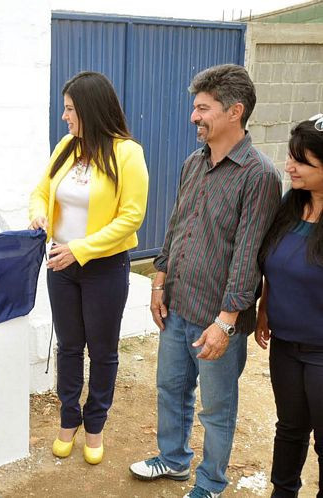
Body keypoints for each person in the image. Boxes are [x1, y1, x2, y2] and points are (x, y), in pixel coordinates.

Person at [129, 64, 281, 498]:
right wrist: (159, 282)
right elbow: (176, 225)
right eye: (195, 108)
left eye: (203, 108)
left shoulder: (259, 175)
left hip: (219, 318)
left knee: (216, 408)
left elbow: (248, 255)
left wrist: (227, 320)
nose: (194, 117)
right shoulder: (193, 163)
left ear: (235, 111)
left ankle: (211, 482)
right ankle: (173, 460)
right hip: (178, 305)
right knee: (170, 388)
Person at [29, 71, 149, 465]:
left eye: (69, 109)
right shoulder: (66, 146)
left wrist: (80, 249)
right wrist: (38, 216)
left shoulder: (127, 153)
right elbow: (42, 191)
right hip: (60, 264)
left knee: (102, 351)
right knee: (67, 347)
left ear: (90, 110)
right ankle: (68, 421)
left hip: (103, 268)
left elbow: (131, 218)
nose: (64, 117)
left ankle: (94, 426)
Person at [255, 115, 323, 498]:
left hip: (321, 351)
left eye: (302, 162)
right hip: (284, 344)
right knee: (290, 427)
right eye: (290, 157)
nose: (289, 167)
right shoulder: (289, 205)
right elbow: (274, 264)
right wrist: (265, 307)